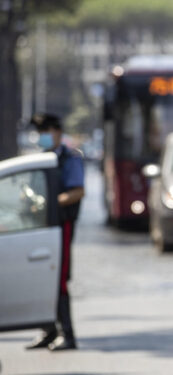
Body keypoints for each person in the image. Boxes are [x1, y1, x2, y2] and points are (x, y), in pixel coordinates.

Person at [25, 113, 84, 351]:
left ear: (57, 132)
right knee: (41, 277)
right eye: (40, 133)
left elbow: (77, 191)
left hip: (61, 225)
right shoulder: (41, 159)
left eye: (45, 132)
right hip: (40, 225)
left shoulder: (70, 158)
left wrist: (50, 202)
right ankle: (49, 331)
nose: (43, 137)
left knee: (58, 279)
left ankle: (68, 335)